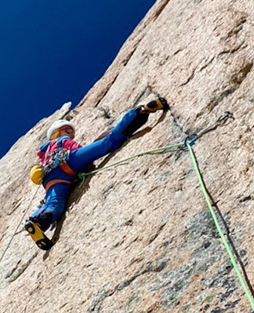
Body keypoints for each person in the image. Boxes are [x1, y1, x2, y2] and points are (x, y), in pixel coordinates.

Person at [24, 96, 168, 248]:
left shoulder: (43, 154)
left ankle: (37, 221)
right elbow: (76, 152)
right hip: (70, 161)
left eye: (71, 131)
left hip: (51, 180)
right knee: (107, 143)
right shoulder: (61, 142)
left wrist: (37, 173)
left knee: (54, 204)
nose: (70, 134)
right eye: (67, 130)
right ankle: (141, 112)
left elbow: (36, 173)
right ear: (56, 133)